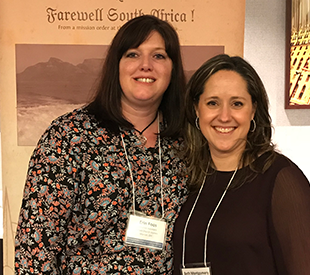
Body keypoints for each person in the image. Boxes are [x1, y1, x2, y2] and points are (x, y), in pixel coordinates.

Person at [14, 15, 188, 274]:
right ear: (115, 65)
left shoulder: (187, 142)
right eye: (132, 54)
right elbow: (35, 246)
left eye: (159, 56)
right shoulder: (68, 136)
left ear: (173, 68)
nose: (145, 65)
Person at [173, 54, 310, 274]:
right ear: (197, 109)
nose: (224, 116)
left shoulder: (281, 179)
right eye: (213, 103)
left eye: (237, 104)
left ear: (253, 110)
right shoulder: (187, 174)